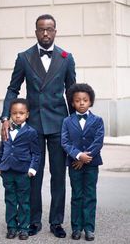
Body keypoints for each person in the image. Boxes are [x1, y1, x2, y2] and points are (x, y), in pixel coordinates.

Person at [0, 14, 76, 238]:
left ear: (55, 31)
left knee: (58, 175)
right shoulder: (24, 57)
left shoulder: (66, 57)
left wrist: (74, 126)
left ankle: (56, 222)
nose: (45, 33)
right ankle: (33, 220)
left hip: (59, 123)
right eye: (41, 29)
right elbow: (13, 89)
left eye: (49, 29)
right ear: (35, 32)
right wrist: (6, 116)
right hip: (31, 126)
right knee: (32, 174)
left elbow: (72, 93)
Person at [61, 83, 104, 241]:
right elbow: (65, 142)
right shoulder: (67, 121)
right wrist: (78, 156)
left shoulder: (98, 120)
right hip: (74, 165)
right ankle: (76, 228)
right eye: (77, 100)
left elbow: (98, 142)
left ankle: (89, 228)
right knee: (77, 195)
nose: (81, 103)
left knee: (90, 195)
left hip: (92, 165)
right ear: (72, 103)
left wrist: (85, 159)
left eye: (85, 100)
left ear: (90, 101)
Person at [0, 98, 40, 240]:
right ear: (10, 114)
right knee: (10, 200)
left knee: (23, 201)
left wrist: (32, 169)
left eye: (21, 113)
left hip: (23, 172)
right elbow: (2, 149)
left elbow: (36, 153)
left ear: (27, 114)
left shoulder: (31, 132)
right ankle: (11, 227)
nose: (18, 116)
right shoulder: (6, 129)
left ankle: (23, 228)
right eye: (14, 113)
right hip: (7, 171)